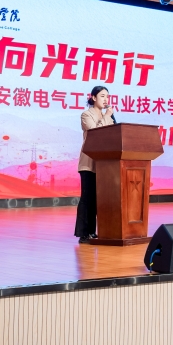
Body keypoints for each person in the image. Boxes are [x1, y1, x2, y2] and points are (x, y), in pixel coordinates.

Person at [75, 85, 116, 243]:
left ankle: (94, 231)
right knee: (88, 198)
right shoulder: (86, 115)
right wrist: (107, 117)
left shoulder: (108, 117)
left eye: (107, 96)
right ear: (93, 98)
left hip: (104, 164)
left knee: (99, 199)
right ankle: (84, 233)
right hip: (89, 163)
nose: (106, 99)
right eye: (102, 96)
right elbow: (94, 133)